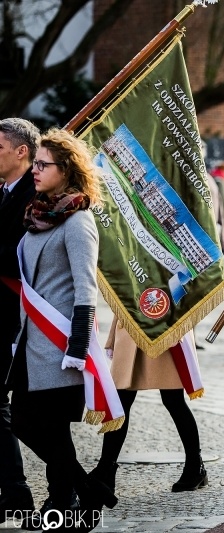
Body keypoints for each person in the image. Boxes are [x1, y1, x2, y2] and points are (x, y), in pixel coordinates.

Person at [9, 129, 117, 530]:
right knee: (25, 422)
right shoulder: (38, 214)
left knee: (48, 427)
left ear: (66, 169)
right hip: (31, 340)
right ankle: (87, 492)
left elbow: (85, 288)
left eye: (43, 164)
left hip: (59, 342)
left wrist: (79, 345)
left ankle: (62, 502)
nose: (35, 170)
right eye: (34, 163)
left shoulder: (77, 220)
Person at [89, 318, 207, 495]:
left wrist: (177, 322)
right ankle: (105, 468)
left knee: (173, 400)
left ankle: (195, 466)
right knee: (121, 400)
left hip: (164, 323)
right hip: (131, 323)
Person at [0, 118, 39, 524]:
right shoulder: (5, 191)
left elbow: (21, 258)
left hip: (17, 316)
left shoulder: (32, 194)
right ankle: (10, 492)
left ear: (21, 151)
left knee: (14, 410)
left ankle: (18, 493)